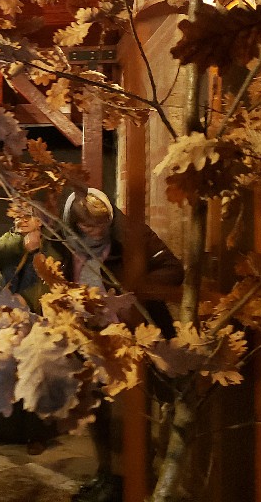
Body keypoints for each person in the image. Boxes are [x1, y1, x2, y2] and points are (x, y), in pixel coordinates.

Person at [58, 188, 183, 502]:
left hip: (128, 337)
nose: (96, 232)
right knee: (97, 411)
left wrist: (131, 290)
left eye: (101, 224)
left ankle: (125, 481)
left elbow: (173, 269)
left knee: (125, 415)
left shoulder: (132, 235)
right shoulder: (66, 244)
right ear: (74, 224)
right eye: (87, 226)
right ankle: (105, 474)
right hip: (89, 337)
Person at [0, 209, 62, 452]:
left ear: (41, 220)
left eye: (28, 215)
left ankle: (36, 434)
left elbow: (52, 281)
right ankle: (6, 431)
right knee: (5, 373)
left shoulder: (51, 248)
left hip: (36, 319)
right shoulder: (9, 240)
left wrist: (27, 301)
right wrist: (22, 245)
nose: (22, 219)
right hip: (6, 318)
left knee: (35, 375)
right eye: (18, 215)